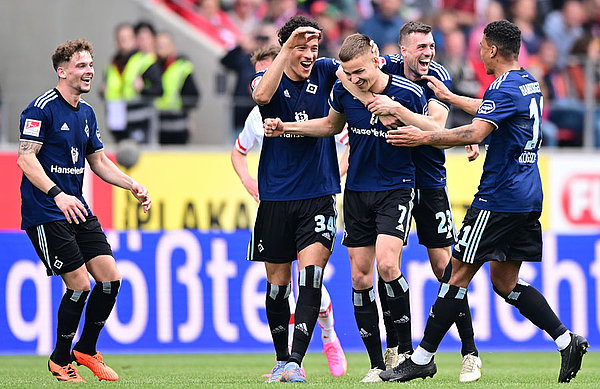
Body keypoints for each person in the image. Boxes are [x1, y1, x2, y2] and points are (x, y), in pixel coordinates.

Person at [379, 20, 589, 383]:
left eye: (481, 46)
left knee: (454, 275)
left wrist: (423, 138)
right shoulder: (527, 81)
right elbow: (489, 107)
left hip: (499, 198)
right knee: (506, 283)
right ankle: (566, 339)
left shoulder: (504, 86)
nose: (478, 51)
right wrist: (449, 98)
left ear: (492, 49)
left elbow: (477, 130)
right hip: (527, 197)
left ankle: (422, 357)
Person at [264, 32, 428, 383]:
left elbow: (434, 130)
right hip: (355, 191)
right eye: (349, 73)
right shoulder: (344, 92)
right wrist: (286, 127)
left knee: (387, 264)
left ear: (374, 55)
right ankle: (376, 364)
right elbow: (329, 126)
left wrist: (398, 112)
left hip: (396, 188)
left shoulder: (407, 93)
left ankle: (407, 351)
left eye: (358, 72)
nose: (354, 79)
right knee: (359, 275)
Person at [345, 21, 482, 382]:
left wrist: (464, 133)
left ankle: (469, 350)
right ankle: (397, 349)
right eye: (421, 47)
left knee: (444, 268)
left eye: (432, 46)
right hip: (394, 180)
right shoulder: (381, 67)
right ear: (403, 50)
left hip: (430, 179)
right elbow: (348, 73)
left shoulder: (436, 75)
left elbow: (435, 127)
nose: (428, 53)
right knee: (388, 265)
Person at [17, 39, 151, 382]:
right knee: (79, 285)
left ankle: (86, 349)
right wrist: (58, 194)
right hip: (46, 210)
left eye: (91, 65)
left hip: (77, 208)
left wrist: (130, 184)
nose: (89, 71)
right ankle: (60, 359)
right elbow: (25, 157)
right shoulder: (41, 108)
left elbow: (99, 161)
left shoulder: (88, 113)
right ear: (62, 72)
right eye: (81, 66)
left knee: (110, 279)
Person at [231, 44, 348, 378]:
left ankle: (301, 357)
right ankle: (284, 358)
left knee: (310, 278)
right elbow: (238, 152)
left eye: (312, 47)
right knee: (279, 286)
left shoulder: (324, 77)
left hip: (318, 195)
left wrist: (334, 171)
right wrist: (249, 183)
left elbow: (340, 134)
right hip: (276, 201)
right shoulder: (259, 109)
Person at [103, 23, 162, 144]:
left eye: (126, 38)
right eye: (120, 39)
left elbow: (159, 89)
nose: (122, 42)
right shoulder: (112, 64)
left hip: (140, 119)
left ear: (134, 40)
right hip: (117, 119)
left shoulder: (145, 61)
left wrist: (143, 89)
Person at [154, 31, 201, 145]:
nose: (161, 49)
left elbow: (193, 96)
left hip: (178, 124)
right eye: (158, 45)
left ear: (172, 47)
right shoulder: (151, 66)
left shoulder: (182, 67)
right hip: (156, 124)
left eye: (164, 45)